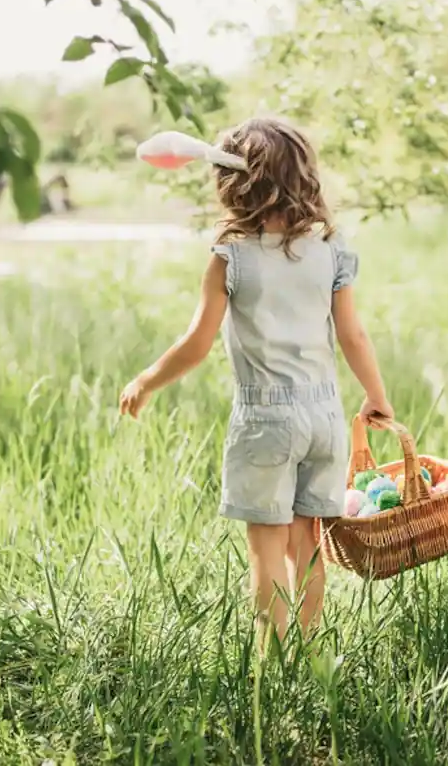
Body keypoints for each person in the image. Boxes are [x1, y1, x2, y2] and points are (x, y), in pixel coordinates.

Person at [118, 117, 392, 647]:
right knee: (307, 546)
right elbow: (353, 335)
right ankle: (313, 658)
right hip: (324, 418)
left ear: (234, 184)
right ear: (303, 178)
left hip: (266, 421)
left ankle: (273, 662)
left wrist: (147, 381)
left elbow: (196, 344)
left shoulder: (231, 258)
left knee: (266, 552)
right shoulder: (331, 249)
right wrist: (377, 396)